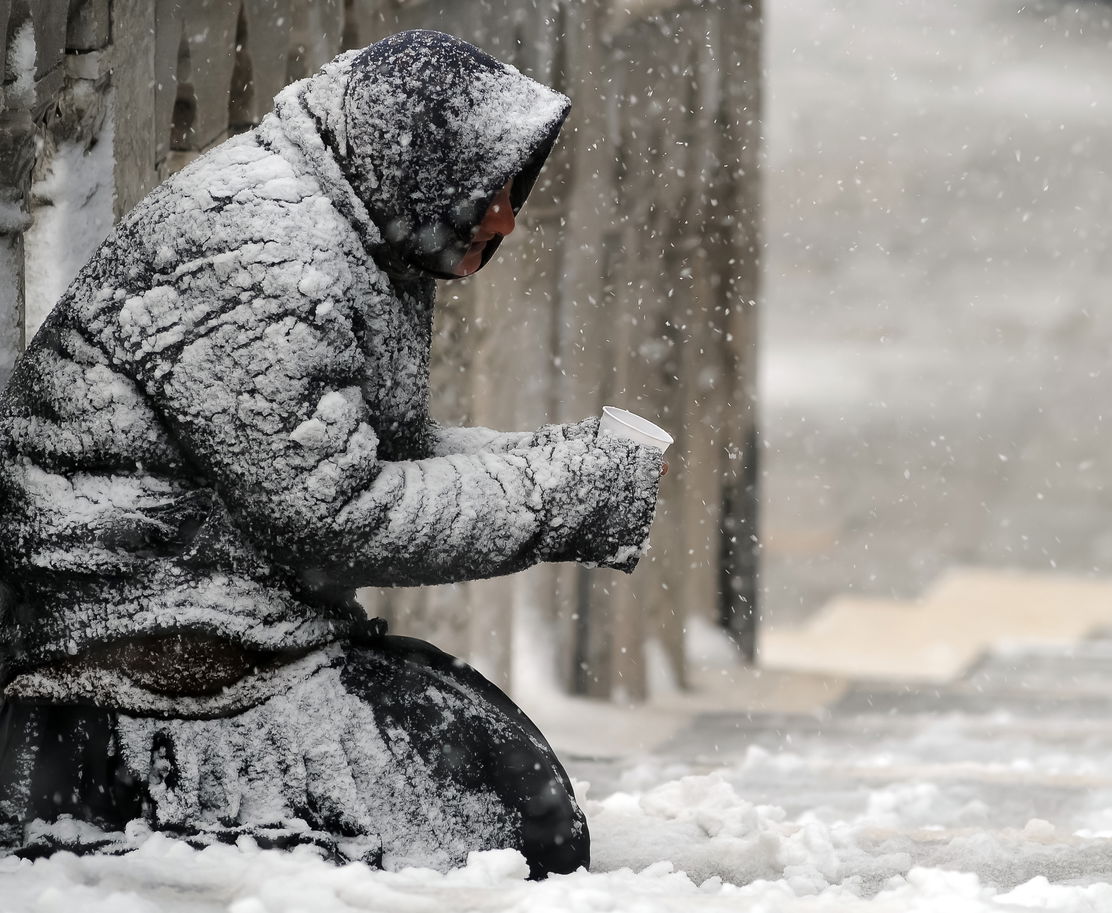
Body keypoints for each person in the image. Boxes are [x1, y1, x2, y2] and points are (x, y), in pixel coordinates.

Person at [0, 30, 663, 877]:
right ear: (417, 158)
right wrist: (571, 489)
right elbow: (334, 512)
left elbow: (388, 455)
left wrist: (581, 464)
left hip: (238, 635)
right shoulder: (262, 243)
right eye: (491, 187)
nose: (503, 217)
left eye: (513, 189)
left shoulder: (355, 231)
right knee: (499, 826)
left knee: (511, 787)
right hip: (146, 674)